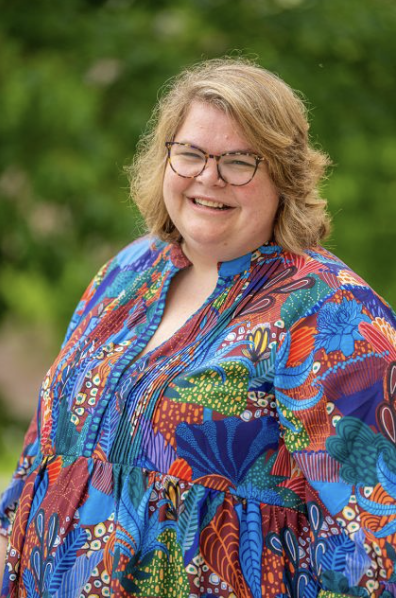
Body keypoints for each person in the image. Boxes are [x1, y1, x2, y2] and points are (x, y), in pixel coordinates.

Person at [0, 57, 395, 598]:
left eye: (238, 162)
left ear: (284, 174)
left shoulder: (332, 315)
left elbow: (375, 543)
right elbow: (43, 453)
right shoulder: (128, 272)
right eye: (189, 154)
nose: (208, 177)